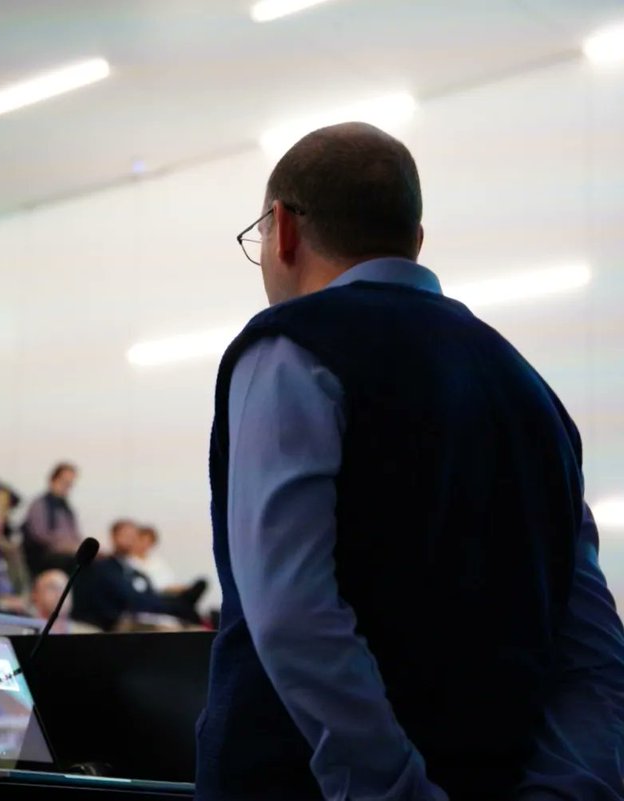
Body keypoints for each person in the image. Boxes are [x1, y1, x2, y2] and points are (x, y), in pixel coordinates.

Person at [198, 122, 624, 801]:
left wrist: (395, 791)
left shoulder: (290, 351)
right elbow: (591, 645)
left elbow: (292, 615)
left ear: (281, 229)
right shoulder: (531, 392)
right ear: (415, 239)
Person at [71, 520, 200, 632]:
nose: (130, 539)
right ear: (114, 536)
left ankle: (182, 604)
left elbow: (149, 595)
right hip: (120, 622)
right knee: (170, 627)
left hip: (145, 615)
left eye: (134, 536)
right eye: (126, 535)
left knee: (191, 626)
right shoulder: (104, 567)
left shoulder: (135, 571)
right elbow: (128, 599)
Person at [21, 463, 82, 574]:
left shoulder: (67, 508)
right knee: (75, 563)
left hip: (66, 552)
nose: (67, 486)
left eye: (70, 484)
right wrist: (65, 546)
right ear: (53, 480)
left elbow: (75, 535)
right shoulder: (40, 504)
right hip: (44, 556)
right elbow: (40, 535)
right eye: (64, 482)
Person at [31, 569, 100, 634]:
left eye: (65, 588)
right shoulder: (25, 630)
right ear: (35, 595)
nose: (59, 593)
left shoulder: (91, 634)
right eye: (52, 588)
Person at [128, 525, 179, 592]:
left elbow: (170, 582)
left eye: (148, 541)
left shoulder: (158, 561)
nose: (144, 544)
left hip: (163, 596)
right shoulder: (125, 561)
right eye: (142, 540)